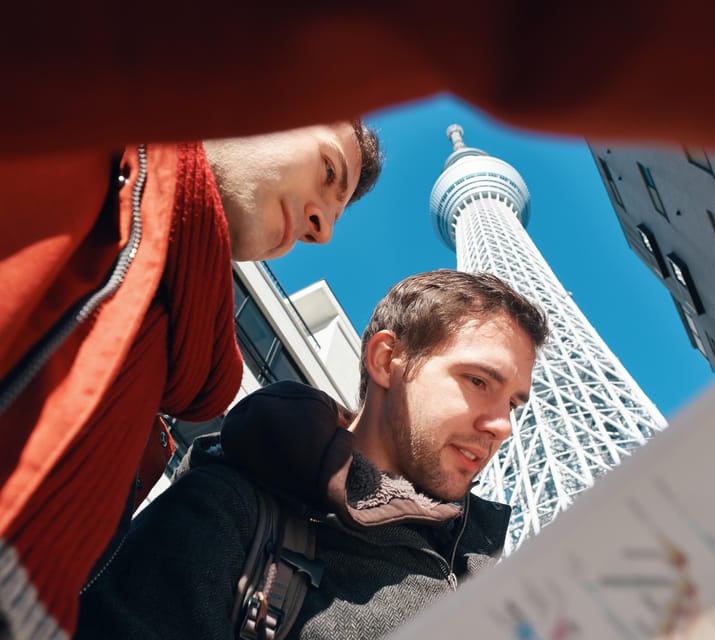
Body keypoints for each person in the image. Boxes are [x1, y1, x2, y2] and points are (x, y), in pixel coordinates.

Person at [0, 122, 382, 640]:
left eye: (334, 218)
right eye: (329, 170)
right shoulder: (62, 133)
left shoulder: (169, 374)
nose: (323, 231)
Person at [74, 269, 549, 639]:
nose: (502, 426)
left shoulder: (490, 565)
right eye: (478, 382)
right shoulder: (228, 513)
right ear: (387, 361)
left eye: (512, 403)